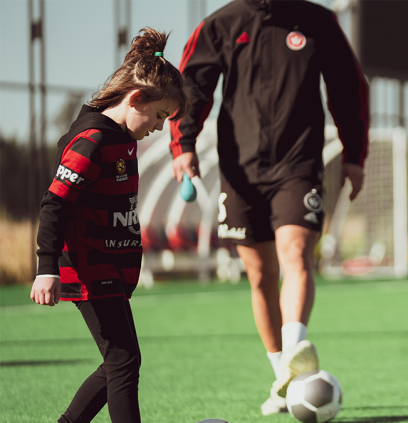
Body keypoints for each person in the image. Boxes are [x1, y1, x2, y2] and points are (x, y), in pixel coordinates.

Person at [169, 0, 369, 415]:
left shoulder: (319, 22)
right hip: (240, 169)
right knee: (260, 274)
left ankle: (294, 354)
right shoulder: (221, 25)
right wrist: (183, 144)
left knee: (296, 253)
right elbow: (191, 86)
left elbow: (348, 86)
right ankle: (283, 377)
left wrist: (354, 153)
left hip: (299, 164)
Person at [30, 28, 191, 423]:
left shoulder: (123, 138)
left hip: (108, 265)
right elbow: (55, 204)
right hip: (88, 264)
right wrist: (46, 267)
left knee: (120, 361)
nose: (160, 126)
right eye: (159, 116)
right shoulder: (93, 141)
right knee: (123, 359)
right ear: (135, 98)